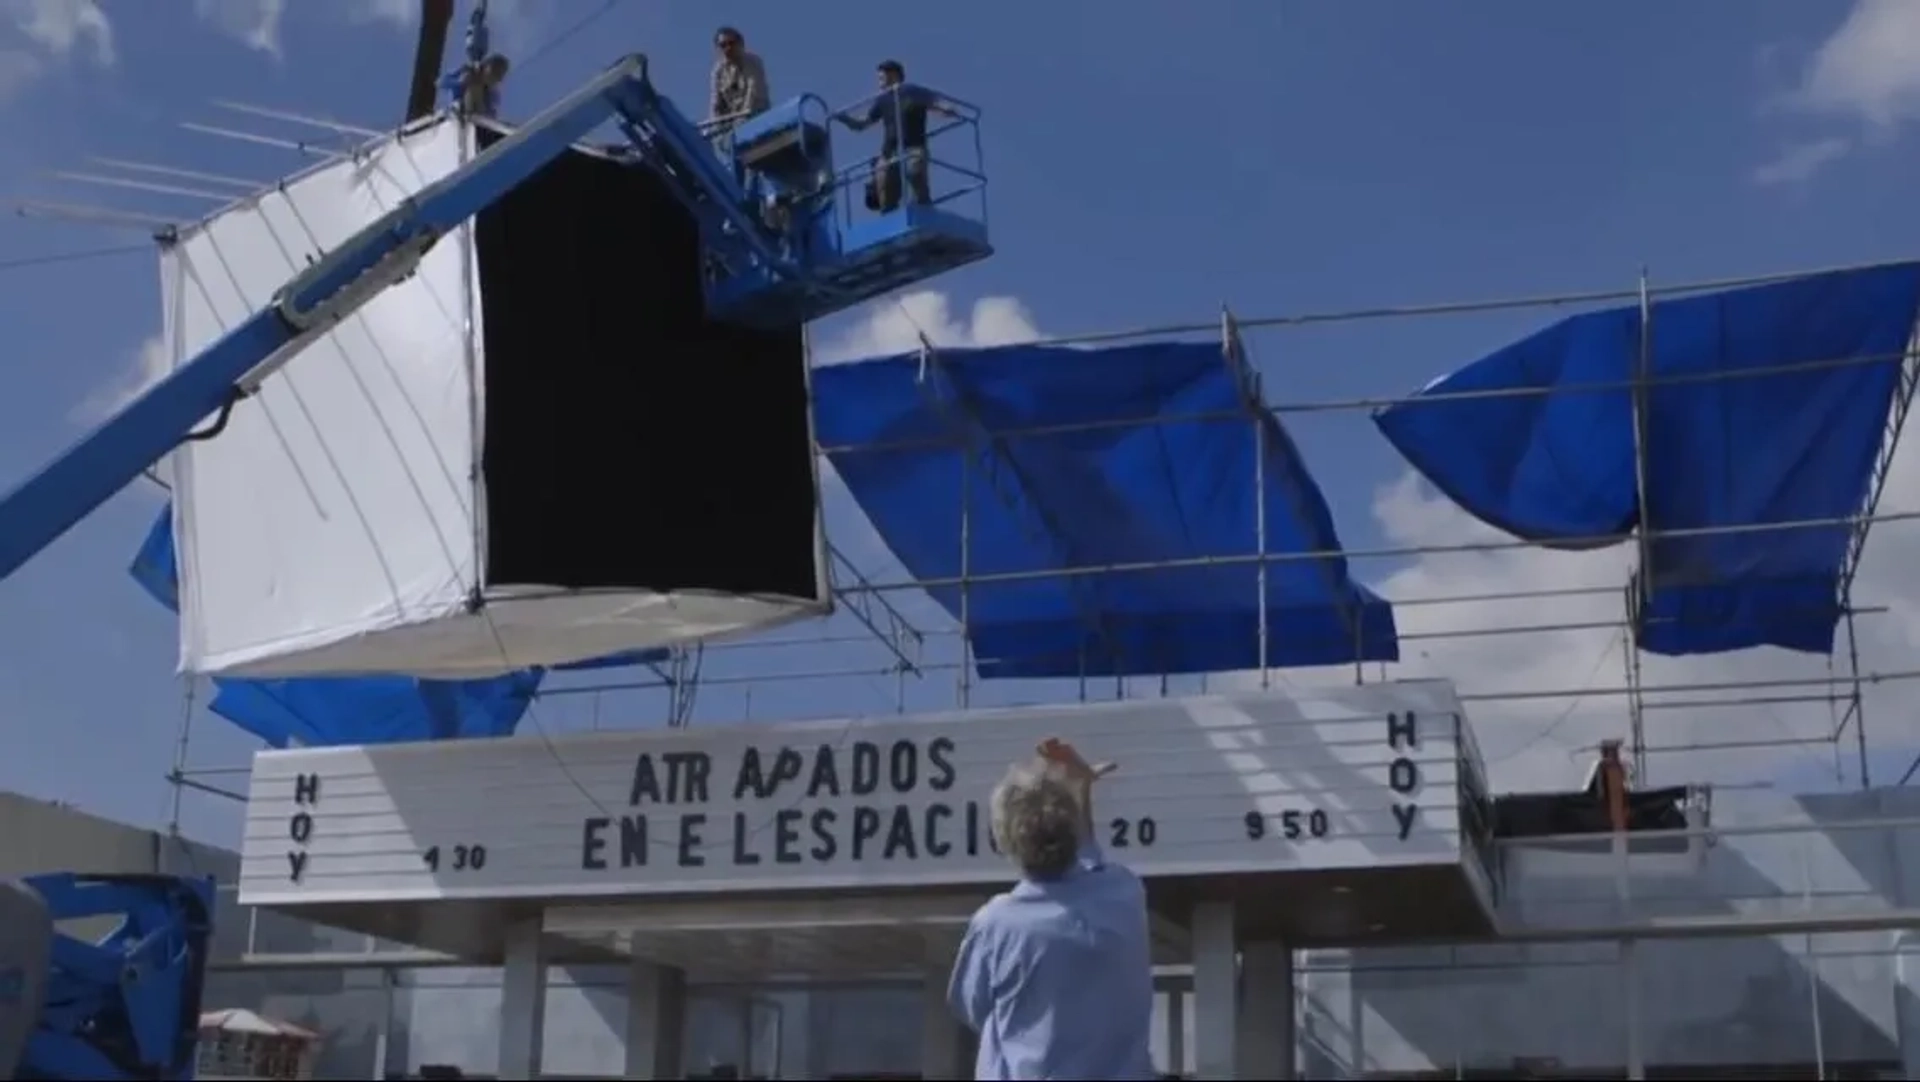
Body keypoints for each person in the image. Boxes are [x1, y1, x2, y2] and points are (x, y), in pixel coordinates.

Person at [947, 738, 1157, 1080]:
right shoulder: (1125, 893)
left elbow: (972, 1006)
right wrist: (1081, 787)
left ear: (1004, 839)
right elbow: (1089, 862)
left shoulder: (996, 924)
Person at [839, 59, 953, 212]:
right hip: (889, 151)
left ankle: (924, 207)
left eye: (881, 77)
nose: (879, 81)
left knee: (915, 173)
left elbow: (933, 100)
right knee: (885, 184)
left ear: (893, 75)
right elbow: (863, 123)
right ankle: (889, 216)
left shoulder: (912, 91)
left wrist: (945, 107)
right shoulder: (882, 100)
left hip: (913, 146)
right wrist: (845, 119)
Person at [708, 26, 770, 134]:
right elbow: (715, 105)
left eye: (731, 43)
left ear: (741, 44)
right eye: (723, 45)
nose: (728, 48)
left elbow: (753, 95)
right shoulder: (718, 71)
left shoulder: (753, 62)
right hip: (732, 123)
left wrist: (740, 123)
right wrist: (715, 128)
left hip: (756, 117)